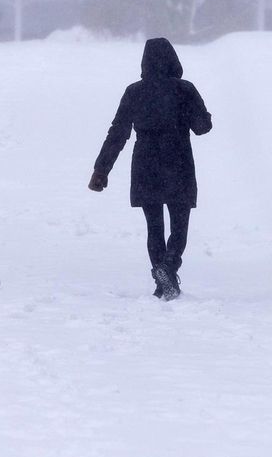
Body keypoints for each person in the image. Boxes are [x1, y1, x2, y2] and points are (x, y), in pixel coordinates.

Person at [88, 38, 213, 300]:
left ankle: (161, 278)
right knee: (179, 225)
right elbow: (203, 127)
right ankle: (169, 267)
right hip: (178, 161)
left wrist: (101, 170)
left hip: (146, 163)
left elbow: (118, 133)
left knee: (154, 226)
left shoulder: (135, 92)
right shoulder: (184, 89)